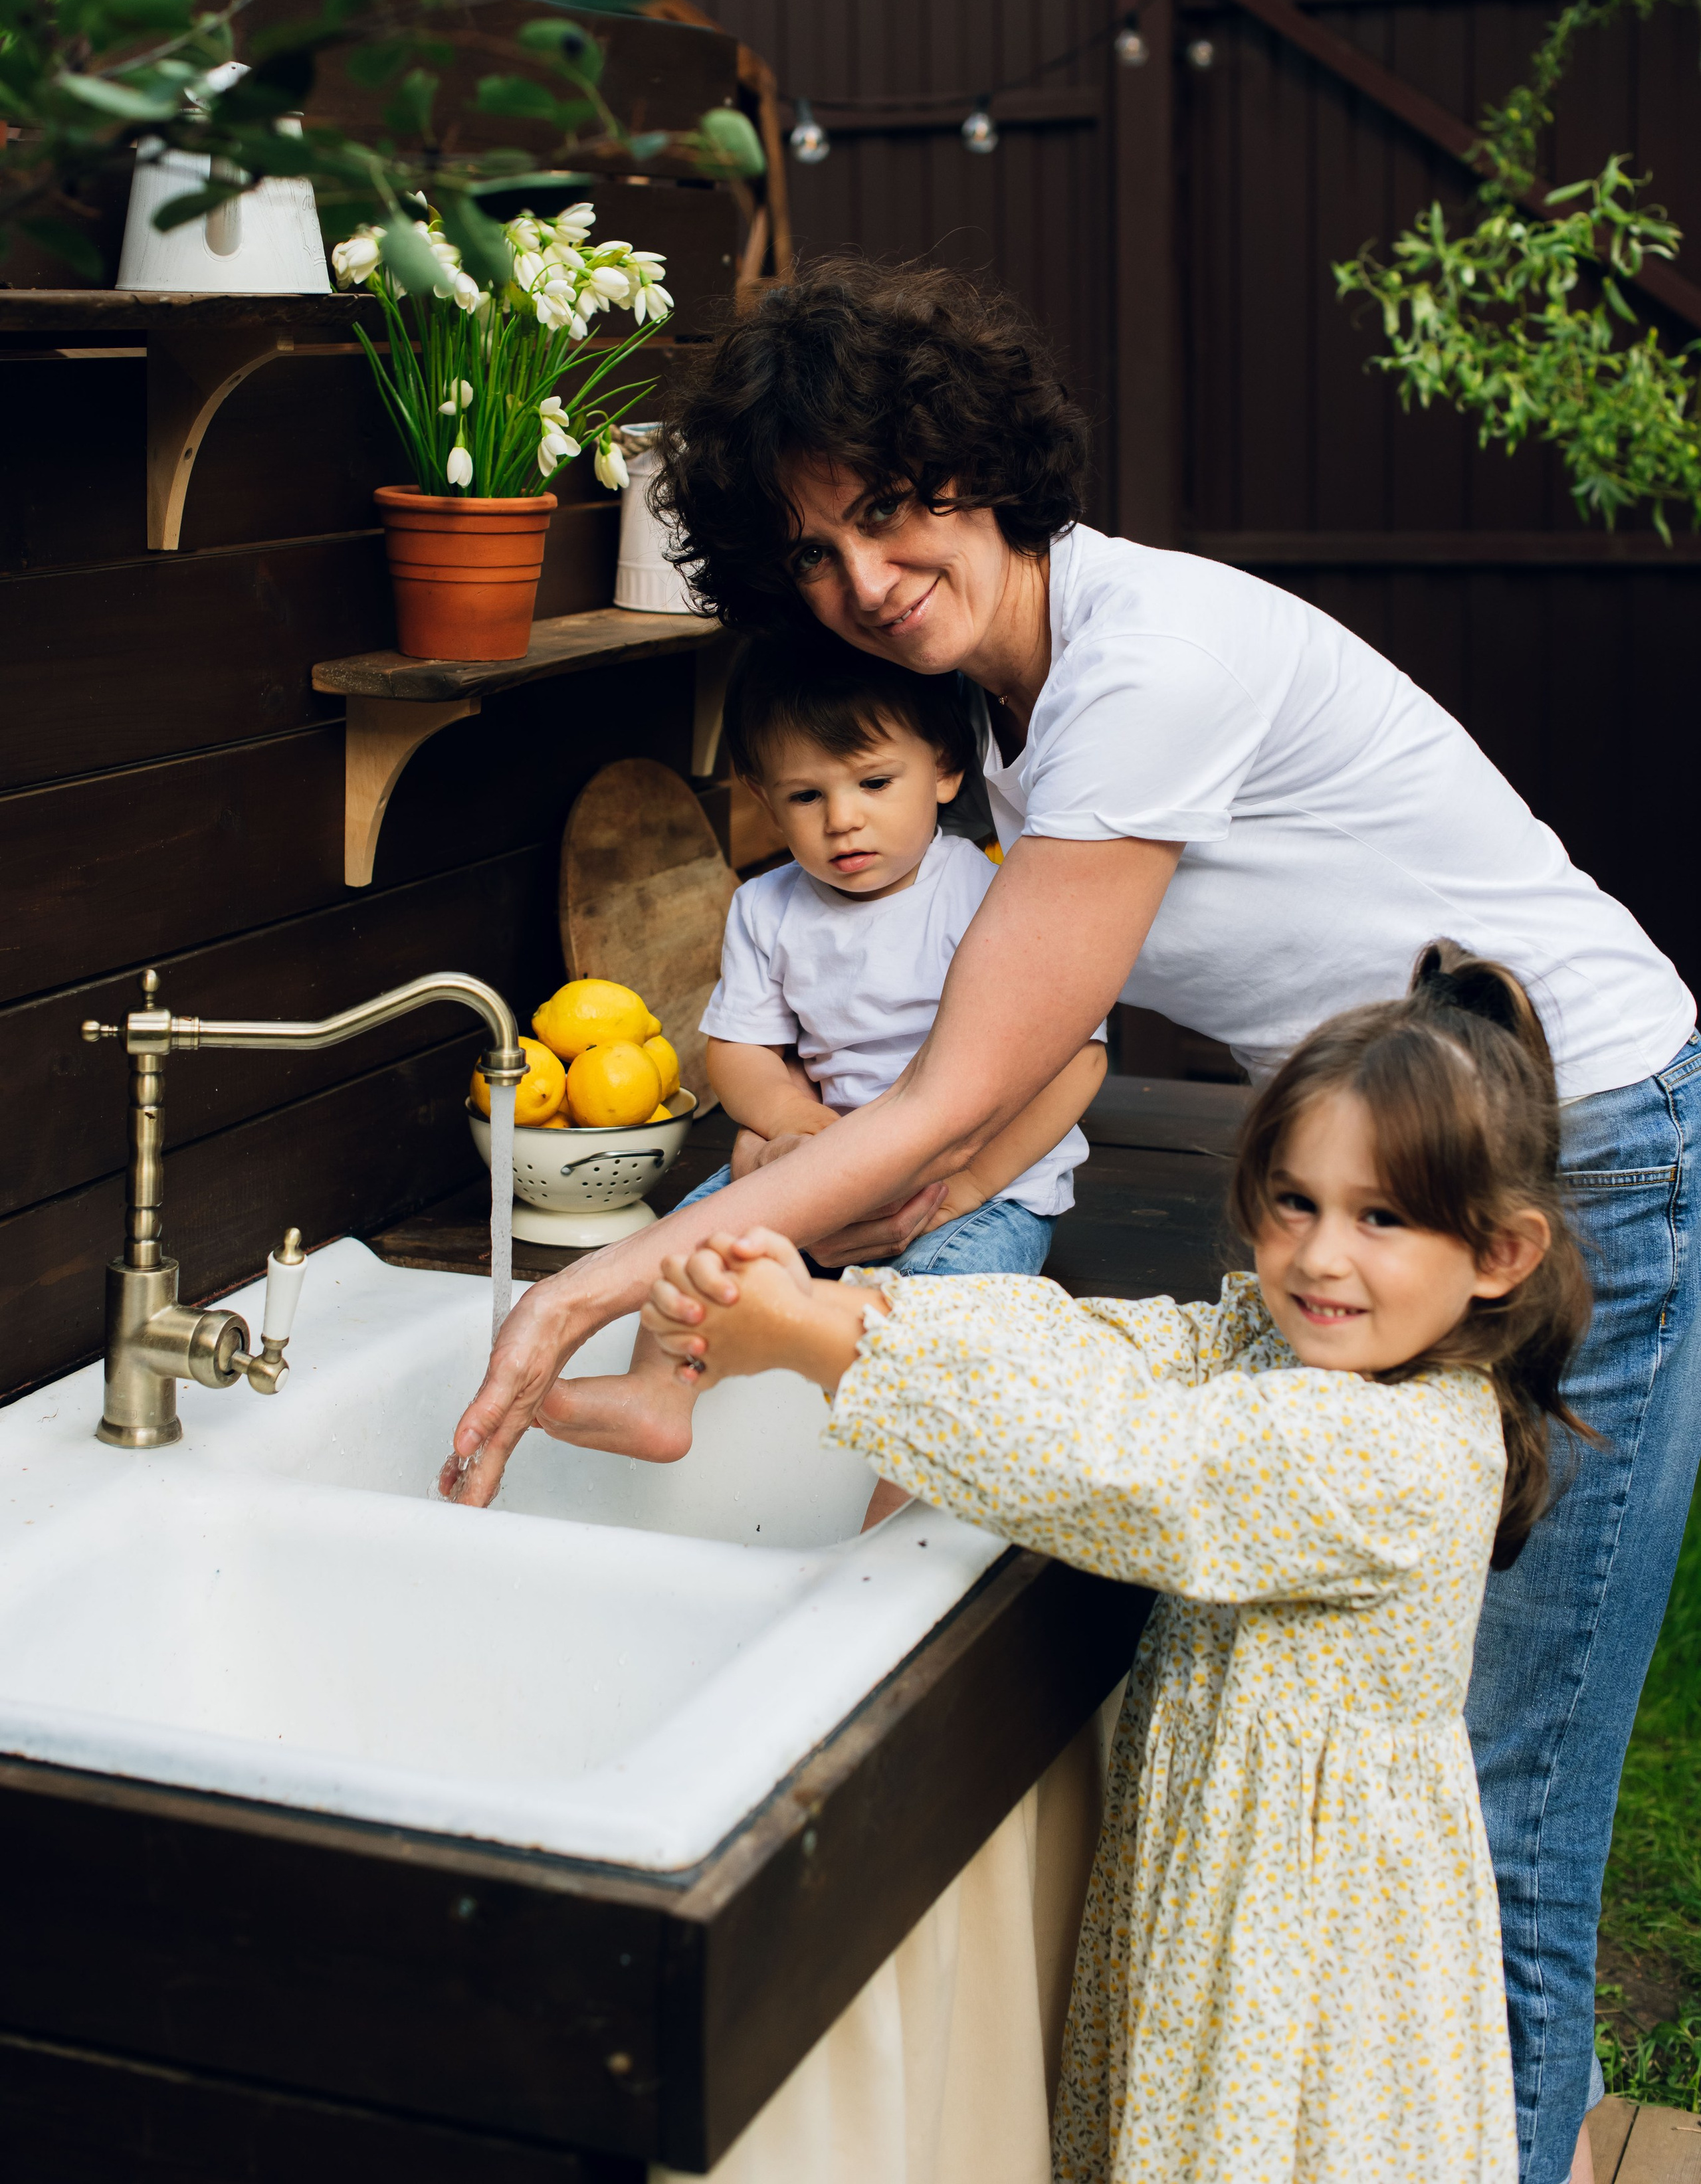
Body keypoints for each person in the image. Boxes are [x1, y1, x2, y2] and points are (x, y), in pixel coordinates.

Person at [443, 261, 1700, 2184]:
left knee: (1497, 1812)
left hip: (1572, 1151)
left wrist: (612, 1271)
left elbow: (958, 1081)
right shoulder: (1008, 711)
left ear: (988, 465)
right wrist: (895, 1214)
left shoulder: (1138, 666)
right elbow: (1007, 1080)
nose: (865, 574)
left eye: (894, 504)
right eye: (814, 544)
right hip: (1392, 1174)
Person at [637, 950, 1589, 2184]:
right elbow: (1111, 1350)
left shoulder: (1392, 1449)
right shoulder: (1297, 1350)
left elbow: (1125, 1464)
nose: (1318, 1256)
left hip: (1306, 1940)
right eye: (1294, 1201)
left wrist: (826, 1347)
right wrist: (872, 1313)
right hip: (1238, 1885)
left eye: (1383, 1217)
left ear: (1502, 1254)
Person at [546, 628, 1106, 1479]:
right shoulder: (768, 908)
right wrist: (797, 1125)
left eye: (875, 783)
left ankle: (906, 1486)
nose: (843, 819)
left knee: (945, 1311)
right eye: (806, 796)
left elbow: (1077, 1061)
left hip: (987, 1188)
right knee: (693, 1251)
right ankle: (658, 1391)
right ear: (766, 802)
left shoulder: (985, 891)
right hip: (830, 1163)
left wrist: (978, 1184)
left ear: (945, 770)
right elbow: (739, 1053)